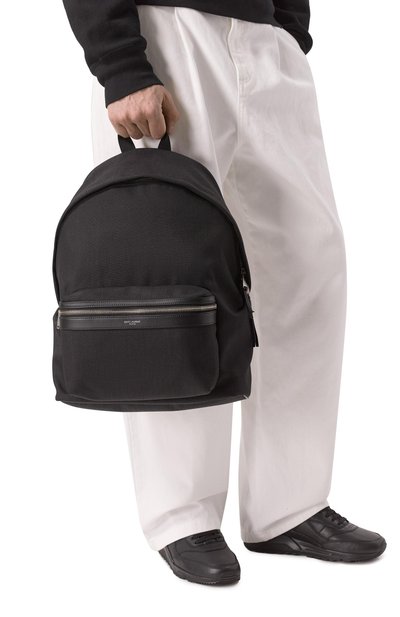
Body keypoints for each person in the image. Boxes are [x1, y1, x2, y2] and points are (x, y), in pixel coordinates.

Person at [61, 0, 386, 585]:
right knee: (175, 280)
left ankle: (289, 507)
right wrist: (122, 64)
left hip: (265, 39)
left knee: (307, 265)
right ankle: (182, 516)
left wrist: (288, 29)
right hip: (167, 32)